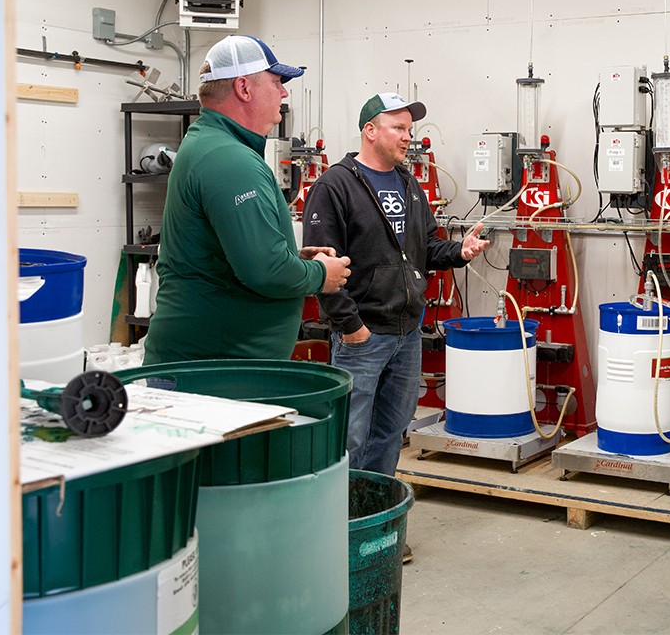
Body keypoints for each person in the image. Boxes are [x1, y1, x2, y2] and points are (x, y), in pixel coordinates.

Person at [303, 93, 489, 478]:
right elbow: (322, 265)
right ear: (370, 131)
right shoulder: (335, 185)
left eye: (410, 129)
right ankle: (343, 524)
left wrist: (461, 251)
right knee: (351, 437)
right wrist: (351, 327)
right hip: (363, 335)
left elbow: (425, 246)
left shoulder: (408, 183)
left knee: (390, 433)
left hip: (407, 333)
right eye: (399, 128)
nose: (409, 138)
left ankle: (374, 512)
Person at [144, 35, 350, 365]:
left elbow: (231, 258)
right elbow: (266, 272)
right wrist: (320, 275)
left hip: (218, 364)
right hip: (216, 371)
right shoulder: (229, 158)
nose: (284, 92)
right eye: (276, 81)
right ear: (244, 88)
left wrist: (294, 258)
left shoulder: (214, 146)